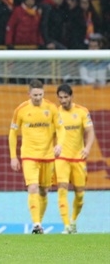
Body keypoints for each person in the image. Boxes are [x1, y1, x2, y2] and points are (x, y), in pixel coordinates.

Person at [8, 79, 65, 234]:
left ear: (43, 93)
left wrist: (59, 144)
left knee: (44, 191)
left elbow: (61, 128)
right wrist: (13, 156)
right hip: (29, 155)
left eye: (40, 94)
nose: (38, 98)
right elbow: (13, 133)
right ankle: (36, 224)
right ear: (29, 94)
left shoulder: (52, 108)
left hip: (48, 155)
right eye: (35, 95)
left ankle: (38, 223)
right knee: (32, 187)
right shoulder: (21, 109)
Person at [56, 84, 95, 234]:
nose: (63, 100)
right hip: (61, 158)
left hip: (78, 158)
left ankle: (73, 221)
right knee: (62, 188)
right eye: (60, 97)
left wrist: (87, 148)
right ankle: (66, 225)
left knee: (80, 195)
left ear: (72, 97)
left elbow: (90, 132)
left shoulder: (82, 111)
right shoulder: (55, 113)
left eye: (66, 97)